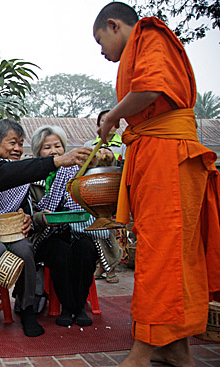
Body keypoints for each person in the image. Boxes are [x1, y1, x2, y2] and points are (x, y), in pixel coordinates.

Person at [93, 2, 220, 365]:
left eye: (101, 42)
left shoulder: (150, 35)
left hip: (168, 157)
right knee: (164, 249)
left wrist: (112, 117)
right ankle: (176, 348)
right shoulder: (142, 44)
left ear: (115, 25)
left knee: (161, 252)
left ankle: (144, 349)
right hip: (155, 154)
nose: (102, 53)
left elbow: (149, 90)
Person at [0, 119, 94, 343]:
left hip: (10, 232)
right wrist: (56, 161)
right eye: (12, 142)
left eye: (21, 143)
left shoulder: (20, 175)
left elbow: (22, 204)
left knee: (25, 249)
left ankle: (27, 308)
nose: (17, 148)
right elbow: (8, 173)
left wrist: (25, 217)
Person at [30, 126, 115, 327]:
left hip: (80, 230)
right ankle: (69, 306)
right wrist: (42, 217)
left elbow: (101, 177)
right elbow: (29, 212)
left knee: (85, 250)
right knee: (61, 252)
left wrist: (107, 158)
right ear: (38, 152)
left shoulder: (80, 172)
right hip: (47, 235)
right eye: (47, 147)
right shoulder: (33, 177)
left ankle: (78, 305)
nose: (54, 151)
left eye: (58, 146)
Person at [85, 110, 126, 284]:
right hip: (94, 195)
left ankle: (111, 268)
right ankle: (102, 267)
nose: (107, 124)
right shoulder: (89, 144)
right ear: (98, 125)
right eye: (103, 121)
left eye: (110, 121)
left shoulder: (123, 145)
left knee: (114, 233)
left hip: (114, 195)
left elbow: (124, 167)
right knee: (98, 233)